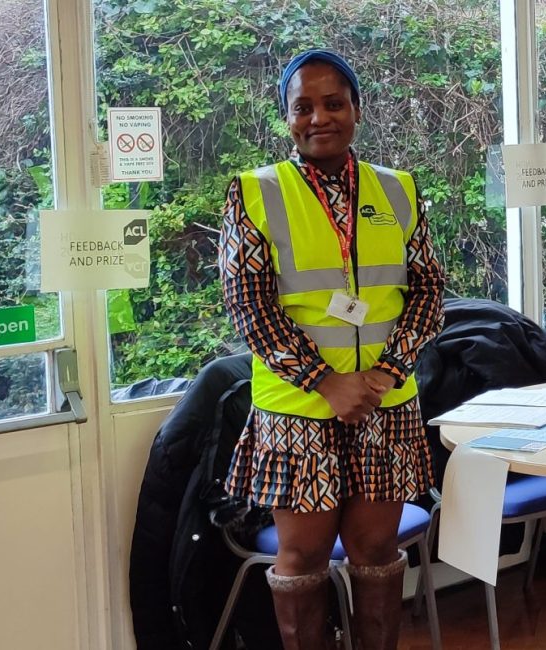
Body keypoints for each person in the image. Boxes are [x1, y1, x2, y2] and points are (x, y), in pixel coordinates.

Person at [219, 49, 445, 650]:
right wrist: (327, 381)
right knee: (304, 554)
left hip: (384, 403)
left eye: (333, 103)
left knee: (376, 550)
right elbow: (250, 307)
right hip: (297, 410)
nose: (319, 117)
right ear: (286, 118)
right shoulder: (254, 193)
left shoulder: (398, 190)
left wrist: (384, 374)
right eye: (303, 107)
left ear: (357, 110)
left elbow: (427, 291)